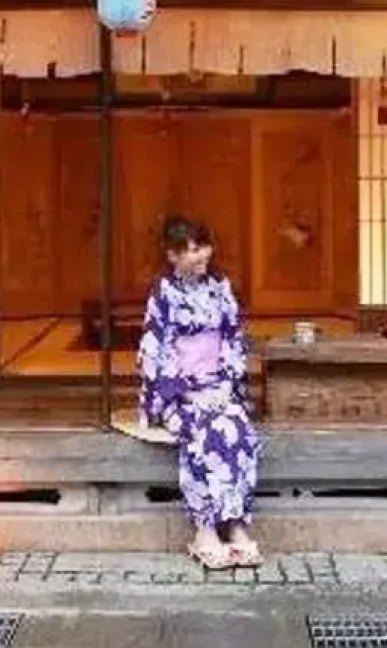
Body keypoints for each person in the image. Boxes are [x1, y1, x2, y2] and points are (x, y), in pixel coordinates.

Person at [136, 215, 263, 570]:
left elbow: (233, 337)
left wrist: (226, 385)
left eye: (203, 246)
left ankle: (235, 523)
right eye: (190, 250)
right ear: (172, 255)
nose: (199, 255)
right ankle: (205, 528)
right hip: (180, 393)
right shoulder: (163, 293)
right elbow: (155, 351)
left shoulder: (220, 285)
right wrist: (186, 394)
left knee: (239, 428)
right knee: (204, 432)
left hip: (218, 386)